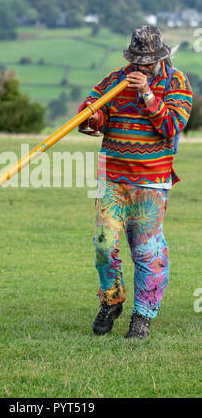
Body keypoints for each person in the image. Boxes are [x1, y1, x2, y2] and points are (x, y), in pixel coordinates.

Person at [78, 25, 192, 339]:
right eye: (137, 61)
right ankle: (112, 300)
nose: (140, 68)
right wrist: (91, 117)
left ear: (160, 57)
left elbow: (171, 125)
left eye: (147, 62)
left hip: (152, 181)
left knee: (147, 251)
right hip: (111, 177)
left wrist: (146, 93)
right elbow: (93, 120)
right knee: (103, 243)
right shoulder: (114, 79)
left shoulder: (177, 82)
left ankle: (143, 315)